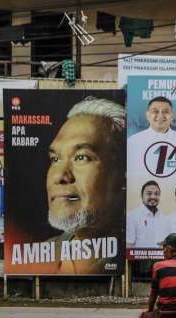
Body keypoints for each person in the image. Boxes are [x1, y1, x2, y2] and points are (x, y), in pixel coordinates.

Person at [45, 96, 125, 274]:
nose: (59, 176)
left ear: (121, 174)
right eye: (55, 159)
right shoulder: (45, 252)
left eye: (81, 157)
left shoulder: (131, 253)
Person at [126, 180, 166, 248]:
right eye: (149, 193)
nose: (153, 197)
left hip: (162, 258)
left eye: (156, 194)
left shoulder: (164, 218)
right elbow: (129, 245)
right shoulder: (131, 216)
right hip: (140, 258)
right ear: (141, 196)